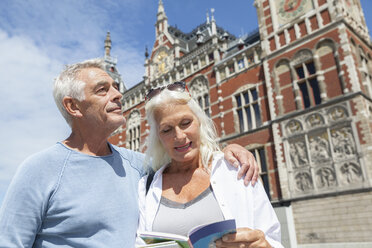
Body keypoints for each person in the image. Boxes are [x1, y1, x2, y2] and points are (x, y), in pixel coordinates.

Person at [0, 59, 259, 248]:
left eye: (115, 87)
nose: (118, 94)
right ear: (73, 106)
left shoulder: (137, 165)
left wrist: (227, 149)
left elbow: (187, 154)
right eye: (103, 90)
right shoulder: (39, 169)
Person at [137, 82, 283, 248]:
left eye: (185, 123)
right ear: (158, 138)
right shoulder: (146, 186)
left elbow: (272, 239)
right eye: (166, 129)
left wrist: (264, 245)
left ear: (199, 122)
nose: (179, 136)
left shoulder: (237, 169)